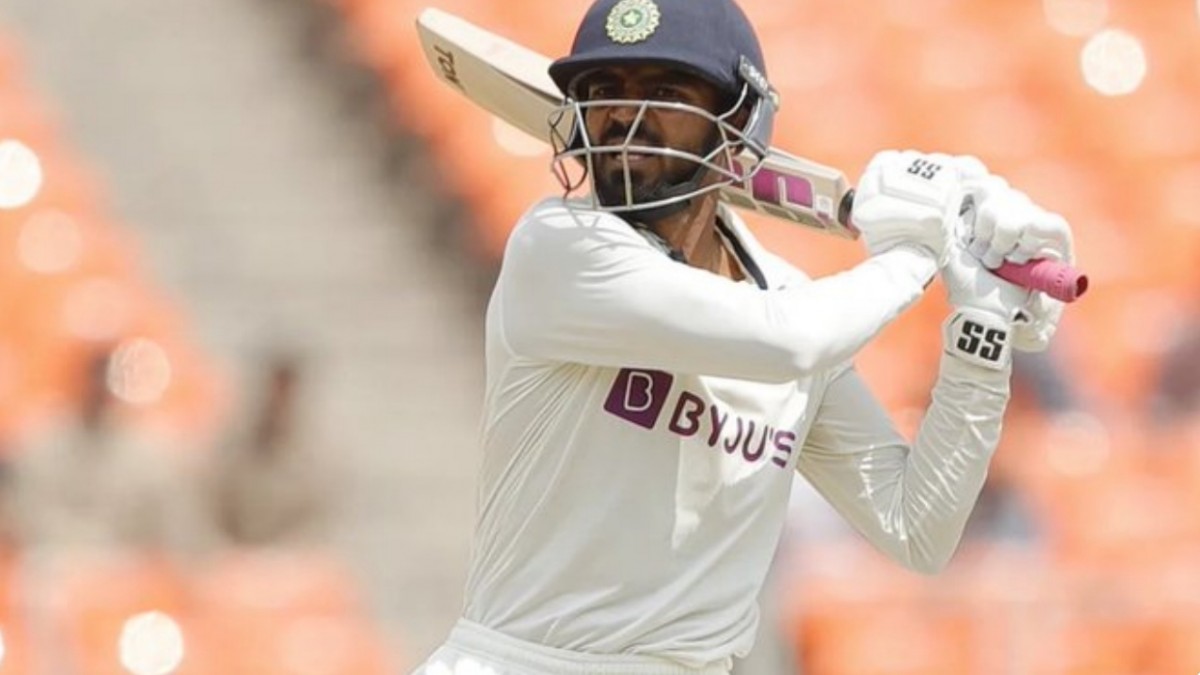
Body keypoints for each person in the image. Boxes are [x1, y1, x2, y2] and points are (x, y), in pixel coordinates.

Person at [412, 0, 1076, 673]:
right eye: (604, 90)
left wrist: (980, 325)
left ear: (737, 124)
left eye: (667, 93)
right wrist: (922, 251)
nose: (625, 117)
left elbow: (917, 528)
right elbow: (793, 341)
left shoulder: (783, 295)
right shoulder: (559, 247)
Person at [204, 350, 337, 548]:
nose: (277, 397)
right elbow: (214, 493)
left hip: (290, 552)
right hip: (236, 547)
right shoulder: (234, 439)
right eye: (274, 388)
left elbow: (317, 510)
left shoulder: (315, 451)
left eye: (284, 390)